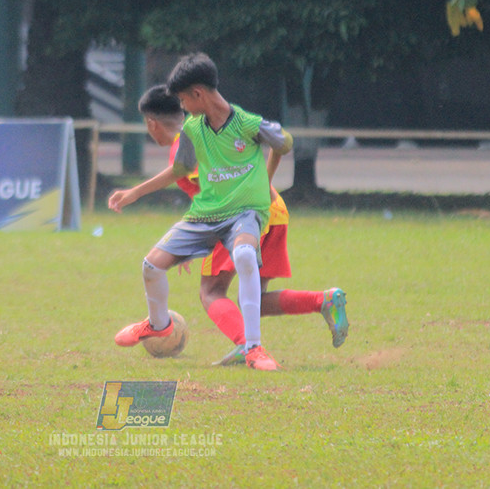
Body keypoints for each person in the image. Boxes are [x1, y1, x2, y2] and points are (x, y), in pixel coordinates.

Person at [130, 84, 348, 366]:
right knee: (256, 298)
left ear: (151, 123)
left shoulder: (188, 142)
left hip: (236, 218)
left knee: (211, 292)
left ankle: (247, 345)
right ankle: (323, 300)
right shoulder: (209, 130)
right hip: (273, 210)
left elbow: (216, 189)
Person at [108, 52, 293, 370]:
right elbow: (180, 168)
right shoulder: (193, 129)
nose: (182, 107)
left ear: (197, 94)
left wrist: (265, 181)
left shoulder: (247, 124)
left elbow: (283, 144)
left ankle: (253, 348)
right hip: (205, 216)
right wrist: (134, 193)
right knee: (151, 265)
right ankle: (158, 324)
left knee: (245, 255)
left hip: (245, 214)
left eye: (183, 100)